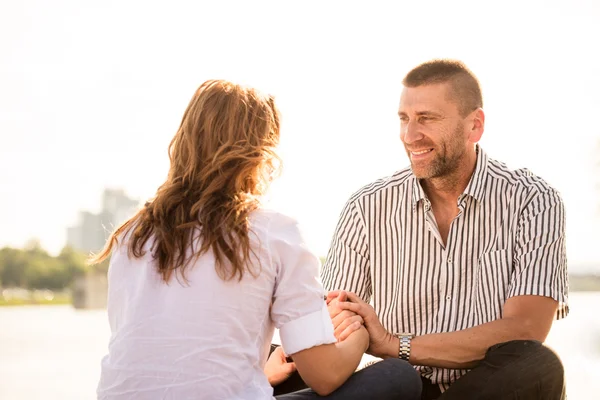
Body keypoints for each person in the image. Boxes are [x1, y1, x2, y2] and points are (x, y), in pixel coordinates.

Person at [90, 79, 422, 400]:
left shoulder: (132, 235)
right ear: (261, 151)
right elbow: (325, 377)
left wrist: (260, 376)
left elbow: (161, 356)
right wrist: (361, 331)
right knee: (397, 376)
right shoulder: (274, 233)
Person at [321, 59, 569, 400]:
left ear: (475, 126)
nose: (410, 136)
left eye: (427, 118)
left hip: (485, 389)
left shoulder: (533, 200)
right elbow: (336, 320)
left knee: (537, 366)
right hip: (401, 387)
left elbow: (525, 331)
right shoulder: (366, 207)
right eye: (404, 119)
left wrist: (397, 345)